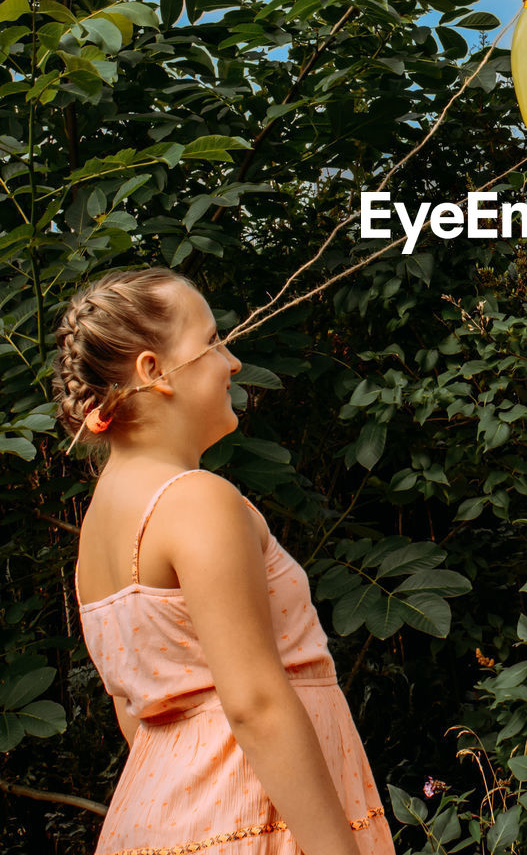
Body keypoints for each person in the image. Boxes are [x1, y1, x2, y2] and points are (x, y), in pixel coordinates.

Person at [55, 266, 394, 855]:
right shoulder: (196, 499)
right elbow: (257, 704)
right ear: (153, 371)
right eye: (211, 341)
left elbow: (136, 713)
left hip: (157, 822)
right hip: (253, 817)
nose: (231, 362)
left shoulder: (95, 539)